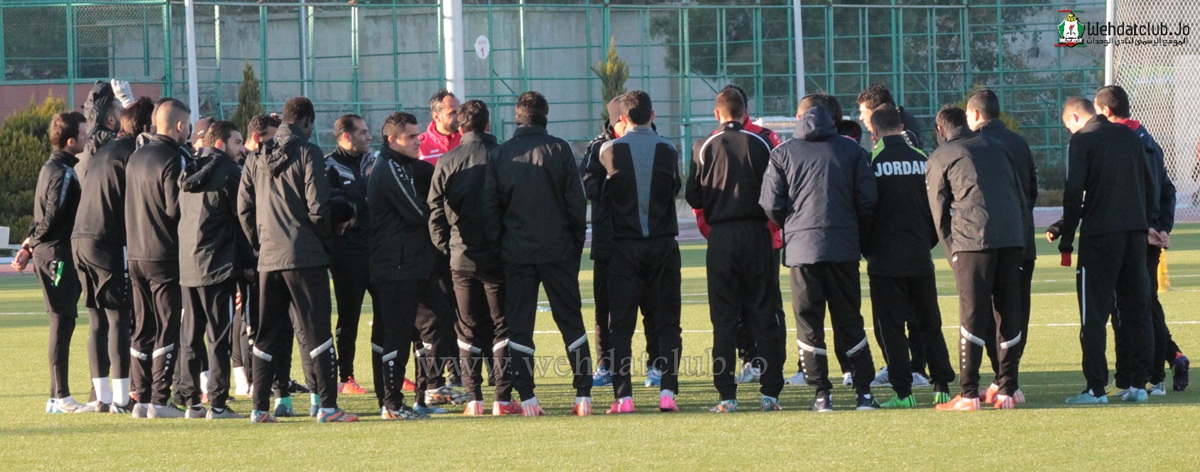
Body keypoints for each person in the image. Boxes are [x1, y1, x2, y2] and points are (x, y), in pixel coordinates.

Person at [237, 96, 358, 423]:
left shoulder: (255, 156)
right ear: (307, 121)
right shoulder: (308, 151)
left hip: (269, 257)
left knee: (266, 333)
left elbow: (244, 209)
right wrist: (325, 239)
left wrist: (260, 244)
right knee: (317, 331)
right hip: (304, 256)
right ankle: (328, 408)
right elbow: (318, 207)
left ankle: (260, 409)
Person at [760, 95, 879, 412]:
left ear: (799, 118)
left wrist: (794, 226)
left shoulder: (782, 153)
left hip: (803, 252)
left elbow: (770, 204)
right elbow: (868, 198)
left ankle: (821, 394)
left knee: (808, 323)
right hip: (842, 249)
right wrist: (851, 227)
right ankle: (864, 393)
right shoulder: (852, 150)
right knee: (849, 320)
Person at [484, 91, 594, 416]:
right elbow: (577, 204)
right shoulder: (560, 149)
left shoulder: (501, 154)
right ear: (545, 116)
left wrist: (499, 249)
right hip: (558, 250)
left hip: (516, 254)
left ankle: (528, 398)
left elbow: (490, 210)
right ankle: (583, 396)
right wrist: (573, 248)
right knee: (571, 321)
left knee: (519, 326)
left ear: (517, 117)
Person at [1048, 98, 1155, 405]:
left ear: (1075, 117)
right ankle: (1138, 384)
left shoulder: (1082, 140)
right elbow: (1149, 185)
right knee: (1136, 310)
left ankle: (1096, 388)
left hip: (1100, 236)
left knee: (1093, 314)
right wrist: (1144, 223)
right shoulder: (1129, 136)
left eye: (1068, 126)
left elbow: (1073, 192)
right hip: (1134, 234)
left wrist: (1067, 238)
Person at [687, 88, 783, 413]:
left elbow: (694, 196)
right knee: (764, 313)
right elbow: (775, 191)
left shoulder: (703, 146)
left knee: (724, 318)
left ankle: (726, 395)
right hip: (757, 234)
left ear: (717, 114)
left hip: (722, 237)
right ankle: (770, 393)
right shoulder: (761, 143)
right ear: (745, 114)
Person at [927, 106, 1026, 411]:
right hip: (1011, 239)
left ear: (940, 129)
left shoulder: (941, 156)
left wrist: (953, 253)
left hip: (972, 242)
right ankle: (1008, 389)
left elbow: (939, 214)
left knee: (972, 315)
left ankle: (968, 394)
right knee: (1007, 312)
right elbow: (1020, 195)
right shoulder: (998, 147)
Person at [1094, 85, 1189, 394]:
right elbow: (1166, 188)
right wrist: (1163, 227)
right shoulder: (1150, 141)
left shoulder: (1122, 142)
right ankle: (1156, 369)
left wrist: (1148, 226)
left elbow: (1136, 190)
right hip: (1149, 233)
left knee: (1133, 307)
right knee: (1145, 304)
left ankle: (1145, 376)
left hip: (1134, 234)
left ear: (1106, 111)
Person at [367, 111, 460, 419]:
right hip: (394, 266)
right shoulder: (388, 167)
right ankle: (392, 404)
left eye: (419, 135)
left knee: (439, 317)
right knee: (397, 335)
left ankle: (426, 392)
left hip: (413, 264)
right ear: (392, 139)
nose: (418, 140)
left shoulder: (404, 166)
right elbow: (417, 212)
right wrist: (439, 211)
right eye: (410, 136)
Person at [862, 104, 955, 408]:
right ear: (901, 126)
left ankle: (904, 393)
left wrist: (868, 248)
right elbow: (938, 207)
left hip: (884, 260)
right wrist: (926, 242)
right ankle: (941, 386)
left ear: (873, 131)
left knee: (891, 327)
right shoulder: (921, 159)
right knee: (929, 322)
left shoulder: (871, 162)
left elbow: (865, 210)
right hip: (919, 256)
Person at [597, 91, 683, 414]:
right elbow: (675, 188)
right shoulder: (669, 149)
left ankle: (624, 397)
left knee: (620, 325)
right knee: (668, 323)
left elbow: (602, 194)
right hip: (663, 245)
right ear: (653, 115)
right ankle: (667, 392)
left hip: (624, 247)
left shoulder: (608, 150)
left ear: (623, 119)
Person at [70, 97, 153, 414]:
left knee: (97, 320)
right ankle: (120, 397)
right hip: (106, 241)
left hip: (81, 237)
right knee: (119, 317)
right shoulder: (134, 153)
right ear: (146, 127)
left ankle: (102, 397)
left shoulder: (106, 149)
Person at [428, 100, 510, 415]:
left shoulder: (448, 160)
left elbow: (434, 210)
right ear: (488, 125)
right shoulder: (503, 156)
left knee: (466, 327)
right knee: (501, 326)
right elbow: (512, 205)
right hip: (497, 257)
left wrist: (446, 248)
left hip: (460, 257)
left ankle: (474, 398)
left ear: (461, 128)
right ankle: (502, 397)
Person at [12, 111, 87, 413]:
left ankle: (58, 396)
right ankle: (60, 397)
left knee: (64, 320)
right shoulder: (62, 172)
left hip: (52, 253)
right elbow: (52, 217)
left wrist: (28, 246)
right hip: (56, 255)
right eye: (83, 134)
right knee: (61, 320)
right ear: (70, 141)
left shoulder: (51, 167)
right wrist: (31, 245)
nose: (87, 138)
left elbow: (41, 216)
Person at [966, 88, 1037, 404]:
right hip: (1021, 239)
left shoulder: (975, 145)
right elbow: (1031, 191)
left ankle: (1002, 379)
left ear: (976, 114)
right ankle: (1008, 379)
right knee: (1015, 311)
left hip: (984, 242)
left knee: (983, 312)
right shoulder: (1018, 142)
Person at [177, 121, 252, 419]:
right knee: (219, 337)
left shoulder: (188, 168)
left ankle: (191, 402)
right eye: (237, 142)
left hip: (188, 264)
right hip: (217, 265)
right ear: (220, 144)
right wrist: (248, 264)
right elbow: (243, 219)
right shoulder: (230, 173)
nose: (242, 148)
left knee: (190, 336)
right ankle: (218, 404)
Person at [124, 99, 191, 419]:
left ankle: (141, 397)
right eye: (187, 125)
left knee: (142, 326)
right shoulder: (173, 158)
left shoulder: (135, 156)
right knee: (167, 325)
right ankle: (161, 400)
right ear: (179, 125)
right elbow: (175, 208)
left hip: (135, 253)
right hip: (163, 254)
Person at [325, 114, 375, 396]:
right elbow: (328, 207)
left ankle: (390, 370)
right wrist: (352, 211)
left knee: (390, 313)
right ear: (347, 136)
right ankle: (346, 376)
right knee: (349, 316)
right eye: (363, 132)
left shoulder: (375, 162)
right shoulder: (328, 166)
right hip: (346, 254)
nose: (369, 136)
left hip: (377, 250)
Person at [580, 105, 619, 388]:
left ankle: (655, 364)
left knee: (651, 307)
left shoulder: (654, 144)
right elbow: (587, 185)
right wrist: (614, 183)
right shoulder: (597, 148)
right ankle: (605, 364)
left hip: (643, 240)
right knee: (603, 307)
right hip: (607, 239)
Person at [857, 83, 924, 150]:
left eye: (864, 113)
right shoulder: (885, 132)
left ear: (877, 112)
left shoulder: (903, 140)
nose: (861, 118)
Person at [419, 89, 462, 166]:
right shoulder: (419, 145)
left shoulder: (467, 140)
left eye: (460, 112)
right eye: (453, 113)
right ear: (436, 116)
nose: (458, 117)